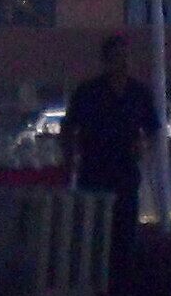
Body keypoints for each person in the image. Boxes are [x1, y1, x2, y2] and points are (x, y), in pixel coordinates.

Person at [60, 34, 164, 225]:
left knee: (125, 224)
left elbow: (152, 128)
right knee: (94, 224)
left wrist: (144, 146)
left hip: (126, 171)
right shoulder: (88, 92)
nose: (122, 63)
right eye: (117, 57)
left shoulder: (139, 93)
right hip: (93, 170)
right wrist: (69, 159)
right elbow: (68, 127)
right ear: (106, 61)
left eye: (125, 57)